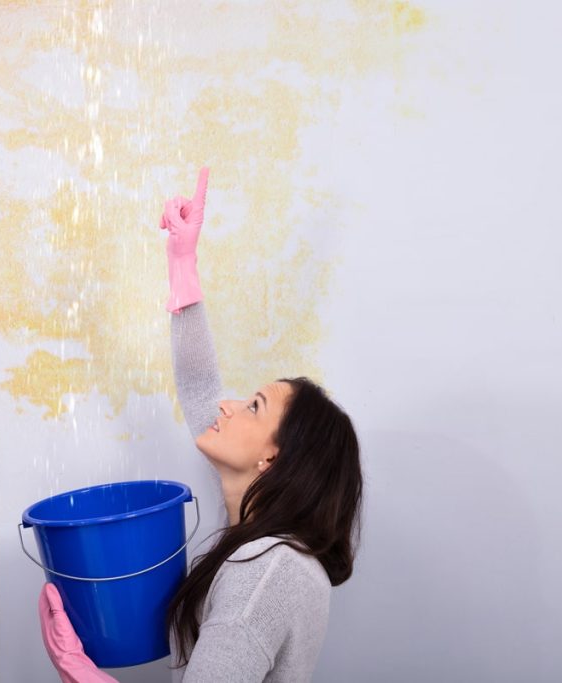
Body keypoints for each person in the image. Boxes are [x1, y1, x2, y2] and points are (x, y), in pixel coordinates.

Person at [39, 169, 363, 682]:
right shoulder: (270, 551)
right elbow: (199, 386)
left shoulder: (264, 570)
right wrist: (182, 262)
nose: (227, 405)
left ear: (273, 459)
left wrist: (78, 670)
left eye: (254, 406)